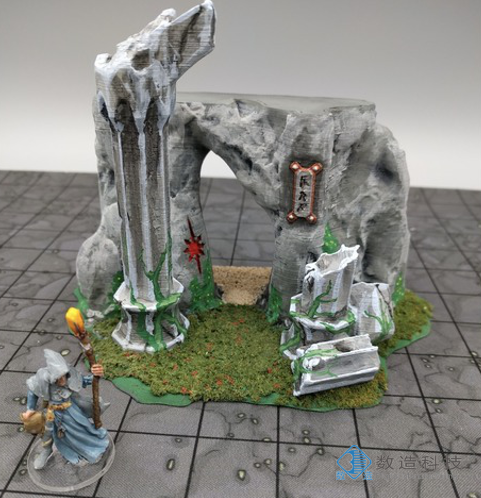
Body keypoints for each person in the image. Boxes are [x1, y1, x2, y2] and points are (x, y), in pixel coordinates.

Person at [22, 349, 110, 470]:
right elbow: (32, 392)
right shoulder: (43, 379)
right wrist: (30, 409)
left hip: (70, 410)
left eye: (64, 376)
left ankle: (89, 449)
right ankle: (46, 450)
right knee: (47, 433)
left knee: (81, 429)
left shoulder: (69, 376)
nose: (63, 380)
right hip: (52, 412)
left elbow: (84, 380)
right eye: (59, 378)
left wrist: (96, 376)